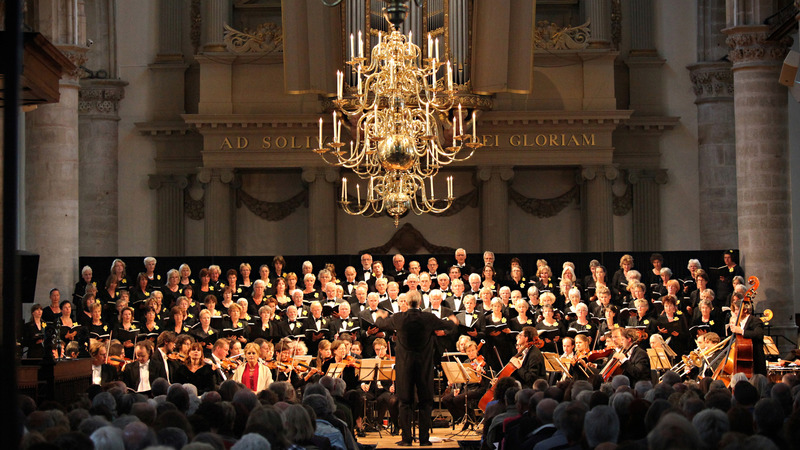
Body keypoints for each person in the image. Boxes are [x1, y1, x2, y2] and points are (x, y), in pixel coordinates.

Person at [374, 290, 457, 446]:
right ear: (420, 303)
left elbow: (380, 324)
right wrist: (453, 320)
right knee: (425, 401)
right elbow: (449, 325)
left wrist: (380, 315)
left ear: (407, 302)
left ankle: (406, 439)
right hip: (424, 367)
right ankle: (424, 440)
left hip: (404, 367)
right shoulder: (428, 318)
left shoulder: (399, 318)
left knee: (404, 402)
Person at [728, 298, 766, 376]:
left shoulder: (755, 321)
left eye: (737, 310)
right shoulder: (739, 323)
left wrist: (742, 331)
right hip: (744, 360)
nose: (735, 312)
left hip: (756, 361)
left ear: (745, 310)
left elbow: (758, 334)